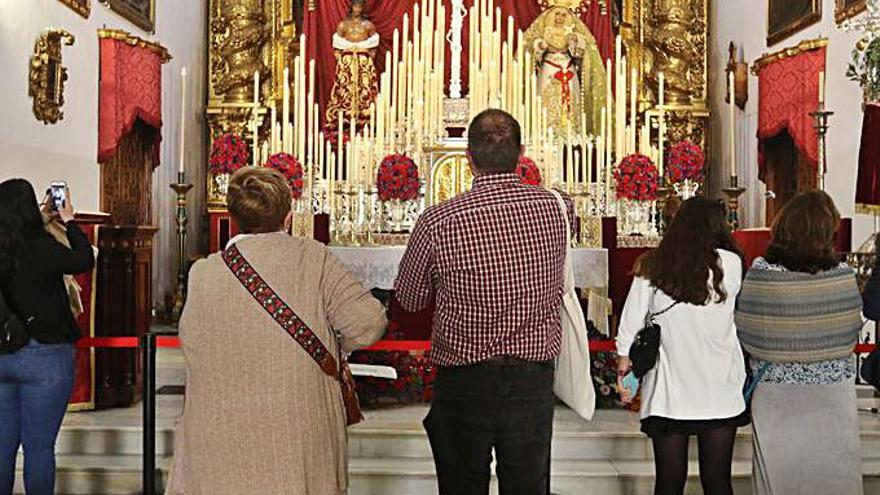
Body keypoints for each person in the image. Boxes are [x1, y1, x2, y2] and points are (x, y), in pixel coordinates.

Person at [165, 167, 387, 495]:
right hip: (295, 432)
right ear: (288, 215)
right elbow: (369, 322)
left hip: (221, 433)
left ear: (233, 216)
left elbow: (194, 341)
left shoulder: (204, 273)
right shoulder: (314, 259)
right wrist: (338, 345)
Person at [394, 109, 572, 495]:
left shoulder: (438, 220)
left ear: (469, 159)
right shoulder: (557, 210)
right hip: (531, 376)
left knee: (461, 486)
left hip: (464, 378)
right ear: (522, 154)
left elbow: (409, 299)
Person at [616, 197, 747, 495]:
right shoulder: (732, 264)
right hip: (719, 386)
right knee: (717, 481)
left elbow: (631, 321)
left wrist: (624, 364)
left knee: (669, 481)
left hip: (670, 390)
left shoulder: (653, 264)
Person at [736, 191, 864, 495]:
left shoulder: (762, 272)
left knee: (779, 480)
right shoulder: (842, 275)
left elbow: (746, 328)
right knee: (835, 478)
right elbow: (851, 329)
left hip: (778, 393)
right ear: (826, 230)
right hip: (832, 393)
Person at [0, 178, 94, 495]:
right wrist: (68, 220)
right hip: (44, 357)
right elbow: (84, 259)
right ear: (29, 209)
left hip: (2, 355)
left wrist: (44, 216)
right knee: (39, 447)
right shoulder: (41, 248)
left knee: (2, 447)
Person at [524, 5, 606, 134]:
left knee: (571, 98)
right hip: (549, 66)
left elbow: (579, 53)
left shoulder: (570, 32)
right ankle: (545, 130)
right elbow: (532, 46)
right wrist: (539, 45)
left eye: (563, 15)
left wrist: (576, 42)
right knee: (547, 97)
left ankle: (572, 129)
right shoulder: (546, 30)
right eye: (557, 14)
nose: (560, 18)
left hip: (567, 64)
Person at [323, 0, 379, 137]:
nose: (357, 9)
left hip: (363, 63)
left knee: (365, 89)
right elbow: (336, 48)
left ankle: (366, 118)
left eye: (360, 6)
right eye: (355, 6)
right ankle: (343, 119)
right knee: (344, 90)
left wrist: (367, 60)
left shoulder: (368, 26)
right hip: (347, 63)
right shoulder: (343, 25)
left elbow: (373, 49)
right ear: (351, 7)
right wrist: (343, 61)